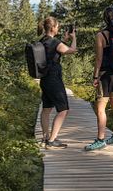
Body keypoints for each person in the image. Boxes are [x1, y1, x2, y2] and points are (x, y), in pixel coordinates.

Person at [85, 7, 113, 151]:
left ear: (105, 18)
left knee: (101, 107)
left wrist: (95, 76)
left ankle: (100, 139)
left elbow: (99, 59)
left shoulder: (101, 36)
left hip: (106, 75)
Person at [37, 16, 77, 149]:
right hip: (54, 79)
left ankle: (45, 138)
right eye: (58, 26)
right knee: (63, 110)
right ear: (53, 28)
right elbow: (72, 50)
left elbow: (54, 50)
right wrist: (73, 38)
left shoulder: (43, 41)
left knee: (46, 109)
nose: (58, 28)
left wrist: (64, 40)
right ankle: (52, 141)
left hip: (44, 80)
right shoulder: (54, 43)